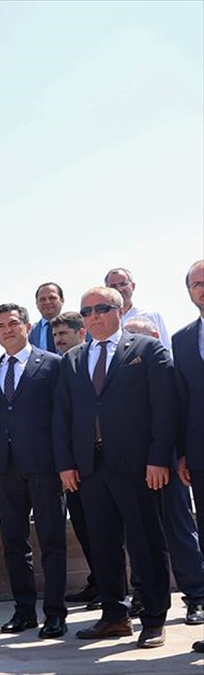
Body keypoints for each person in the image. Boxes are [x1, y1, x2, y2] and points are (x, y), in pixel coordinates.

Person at [53, 286, 175, 648]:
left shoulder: (147, 349)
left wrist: (158, 458)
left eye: (101, 308)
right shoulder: (73, 359)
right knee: (102, 545)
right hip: (89, 469)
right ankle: (114, 616)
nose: (93, 316)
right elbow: (62, 417)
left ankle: (154, 619)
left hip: (138, 467)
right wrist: (65, 464)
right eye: (86, 311)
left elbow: (164, 409)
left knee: (146, 542)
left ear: (118, 311)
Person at [0, 304, 67, 638]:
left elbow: (62, 417)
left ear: (27, 327)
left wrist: (64, 463)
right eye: (0, 326)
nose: (7, 330)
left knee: (52, 541)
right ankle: (24, 611)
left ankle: (55, 613)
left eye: (13, 323)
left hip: (45, 467)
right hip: (5, 469)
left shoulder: (53, 364)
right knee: (13, 543)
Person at [123, 318, 204, 626]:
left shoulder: (168, 365)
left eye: (139, 337)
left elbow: (175, 413)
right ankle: (144, 594)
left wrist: (172, 457)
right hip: (134, 464)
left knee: (179, 529)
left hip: (168, 462)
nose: (133, 345)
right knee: (139, 533)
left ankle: (196, 597)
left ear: (156, 337)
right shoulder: (121, 370)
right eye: (128, 338)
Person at [47, 312, 100, 608]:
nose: (59, 340)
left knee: (105, 529)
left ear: (82, 333)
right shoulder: (58, 366)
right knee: (83, 525)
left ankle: (115, 587)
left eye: (64, 334)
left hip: (99, 461)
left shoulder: (91, 364)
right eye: (56, 336)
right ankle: (98, 581)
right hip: (71, 465)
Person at [174, 259, 204, 654]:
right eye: (196, 284)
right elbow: (180, 401)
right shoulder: (182, 340)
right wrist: (180, 453)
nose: (203, 288)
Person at [105, 267, 171, 350]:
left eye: (123, 284)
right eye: (113, 286)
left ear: (133, 286)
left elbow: (165, 347)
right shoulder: (102, 319)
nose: (119, 289)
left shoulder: (150, 315)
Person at [29, 282, 65, 352]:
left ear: (62, 300)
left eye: (52, 298)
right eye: (42, 299)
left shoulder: (78, 326)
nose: (47, 302)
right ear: (37, 303)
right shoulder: (30, 333)